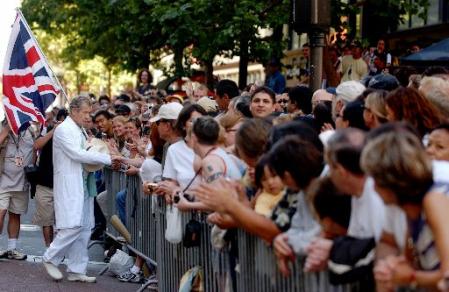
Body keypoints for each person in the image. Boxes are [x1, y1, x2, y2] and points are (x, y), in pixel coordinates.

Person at [42, 96, 117, 283]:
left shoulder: (80, 129)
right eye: (85, 112)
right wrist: (107, 159)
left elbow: (87, 150)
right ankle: (50, 257)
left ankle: (76, 269)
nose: (88, 116)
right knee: (71, 226)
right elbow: (76, 154)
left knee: (85, 228)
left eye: (89, 112)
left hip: (84, 184)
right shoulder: (64, 129)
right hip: (70, 184)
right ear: (74, 111)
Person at [362, 131, 449, 290]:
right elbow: (410, 262)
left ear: (390, 182)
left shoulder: (434, 200)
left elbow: (447, 277)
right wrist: (393, 268)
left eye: (375, 179)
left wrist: (411, 277)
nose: (373, 188)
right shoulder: (410, 210)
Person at [0, 121, 37, 260]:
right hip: (2, 180)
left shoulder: (31, 132)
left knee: (16, 214)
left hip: (21, 182)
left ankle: (12, 249)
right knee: (1, 212)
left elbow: (35, 151)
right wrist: (7, 129)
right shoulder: (2, 127)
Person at [33, 109, 68, 248]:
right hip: (44, 183)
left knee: (62, 221)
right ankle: (49, 248)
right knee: (46, 220)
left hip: (63, 185)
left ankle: (58, 249)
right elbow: (36, 145)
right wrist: (54, 131)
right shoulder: (48, 131)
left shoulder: (74, 136)